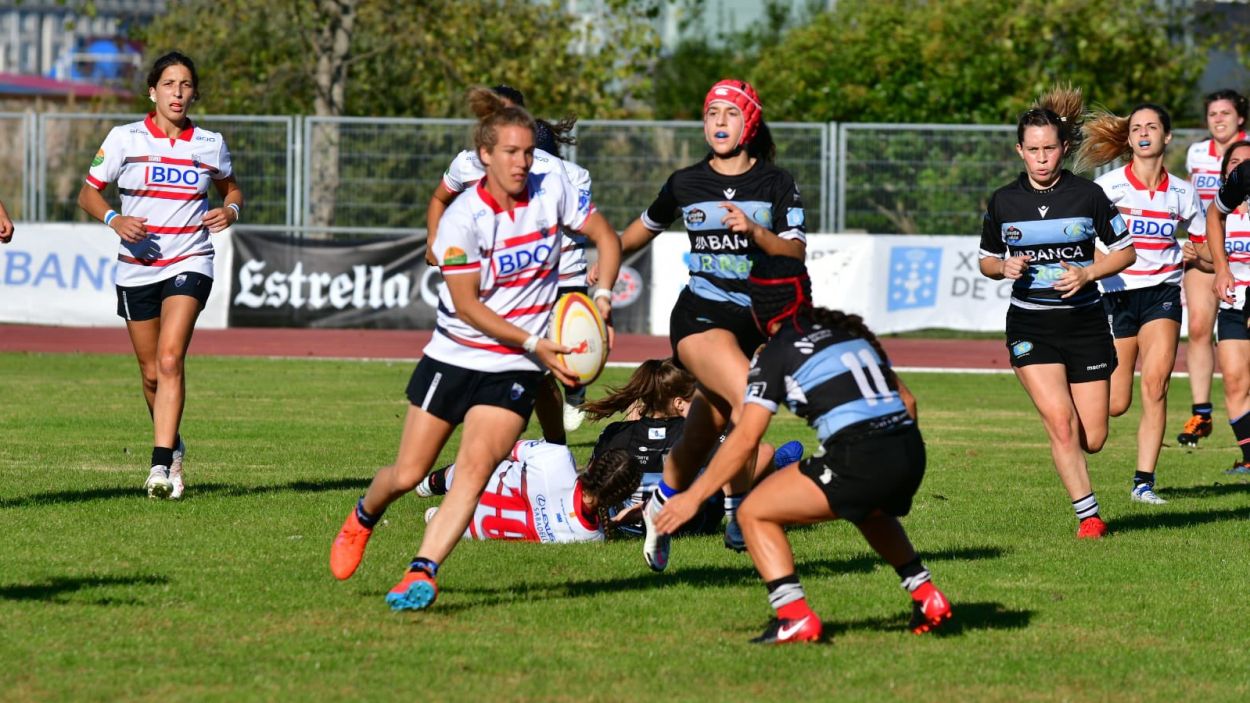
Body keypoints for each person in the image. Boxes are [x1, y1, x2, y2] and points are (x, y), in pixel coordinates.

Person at [328, 86, 621, 612]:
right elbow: (466, 306)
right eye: (511, 152)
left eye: (528, 151)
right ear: (484, 155)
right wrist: (536, 342)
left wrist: (600, 302)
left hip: (514, 365)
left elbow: (607, 236)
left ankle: (422, 571)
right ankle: (364, 515)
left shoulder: (553, 187)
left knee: (474, 470)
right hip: (456, 355)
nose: (523, 162)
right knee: (408, 474)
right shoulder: (463, 217)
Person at [653, 255, 951, 644]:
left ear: (759, 309)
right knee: (867, 508)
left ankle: (794, 617)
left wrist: (693, 497)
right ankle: (927, 595)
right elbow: (908, 401)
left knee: (753, 512)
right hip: (910, 452)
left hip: (859, 457)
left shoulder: (778, 351)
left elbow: (746, 437)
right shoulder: (847, 333)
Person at [620, 79, 807, 569]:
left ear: (750, 123)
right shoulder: (686, 182)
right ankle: (738, 510)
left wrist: (757, 231)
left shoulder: (776, 183)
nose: (719, 122)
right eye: (711, 113)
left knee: (705, 432)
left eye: (730, 113)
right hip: (699, 318)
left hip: (751, 324)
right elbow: (641, 229)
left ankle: (660, 506)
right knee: (752, 403)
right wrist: (604, 258)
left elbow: (795, 253)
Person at [76, 51, 242, 500]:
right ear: (153, 92)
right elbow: (88, 195)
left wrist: (230, 210)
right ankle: (175, 445)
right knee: (151, 374)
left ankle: (159, 465)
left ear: (194, 94)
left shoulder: (209, 143)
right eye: (169, 84)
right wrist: (114, 219)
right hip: (136, 267)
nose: (178, 93)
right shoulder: (123, 138)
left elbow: (231, 189)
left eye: (186, 85)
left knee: (170, 360)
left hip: (191, 259)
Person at [978, 87, 1135, 539]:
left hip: (1085, 323)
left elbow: (1125, 252)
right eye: (1033, 150)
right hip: (1031, 325)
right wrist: (1003, 267)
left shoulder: (1088, 195)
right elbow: (987, 260)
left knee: (1093, 438)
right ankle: (1090, 517)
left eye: (1049, 149)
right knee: (1062, 425)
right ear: (1019, 151)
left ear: (1063, 148)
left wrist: (1089, 273)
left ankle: (1068, 434)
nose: (1042, 158)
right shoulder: (1003, 201)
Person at [425, 86, 598, 438]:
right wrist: (434, 239)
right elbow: (440, 198)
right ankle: (531, 444)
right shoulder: (466, 163)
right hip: (506, 278)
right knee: (522, 365)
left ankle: (564, 412)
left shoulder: (553, 169)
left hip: (558, 274)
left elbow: (588, 227)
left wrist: (604, 286)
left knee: (546, 363)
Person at [1075, 103, 1204, 504]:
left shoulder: (1184, 192)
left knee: (1156, 384)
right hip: (1115, 294)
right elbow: (1082, 238)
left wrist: (1197, 254)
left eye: (1152, 127)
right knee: (1116, 404)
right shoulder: (1108, 187)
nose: (1144, 133)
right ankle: (1068, 417)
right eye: (1136, 128)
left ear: (1167, 136)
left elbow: (1204, 244)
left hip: (1162, 293)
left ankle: (1143, 483)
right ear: (1129, 140)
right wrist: (1100, 267)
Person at [1179, 90, 1249, 447]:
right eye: (1212, 114)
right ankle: (1201, 412)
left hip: (1240, 241)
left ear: (1240, 118)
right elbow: (1196, 202)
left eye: (1226, 113)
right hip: (1208, 243)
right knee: (1198, 327)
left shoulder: (1246, 152)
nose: (1218, 119)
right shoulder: (1196, 152)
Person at [416, 442, 642, 543]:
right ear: (619, 498)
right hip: (467, 530)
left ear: (594, 465)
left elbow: (504, 447)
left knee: (483, 461)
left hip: (468, 482)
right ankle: (438, 516)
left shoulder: (557, 458)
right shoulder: (590, 537)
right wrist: (617, 522)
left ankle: (427, 485)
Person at [1202, 140, 1250, 475]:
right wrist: (1221, 267)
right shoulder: (1240, 182)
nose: (1242, 165)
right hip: (1235, 301)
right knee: (1234, 380)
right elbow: (1213, 214)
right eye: (1236, 161)